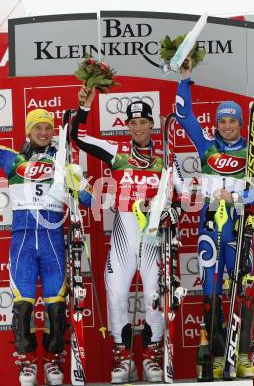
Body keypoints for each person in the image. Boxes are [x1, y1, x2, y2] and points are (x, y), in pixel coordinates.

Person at [0, 87, 92, 386]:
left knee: (57, 307)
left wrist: (78, 187)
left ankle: (53, 363)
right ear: (29, 131)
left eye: (47, 128)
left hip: (54, 240)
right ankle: (28, 364)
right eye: (37, 128)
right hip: (22, 241)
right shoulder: (12, 159)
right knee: (23, 307)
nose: (43, 132)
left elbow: (88, 200)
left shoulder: (64, 162)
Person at [71, 87, 190, 383]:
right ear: (128, 126)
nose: (137, 128)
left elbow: (186, 196)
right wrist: (84, 107)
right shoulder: (118, 152)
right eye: (132, 123)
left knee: (154, 296)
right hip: (125, 233)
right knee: (116, 294)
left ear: (152, 124)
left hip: (153, 237)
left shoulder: (166, 157)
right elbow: (79, 137)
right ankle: (124, 359)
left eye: (143, 122)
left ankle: (151, 356)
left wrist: (173, 213)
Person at [175, 59, 254, 379]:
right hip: (209, 224)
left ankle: (243, 353)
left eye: (233, 121)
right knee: (211, 289)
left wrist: (240, 197)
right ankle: (217, 354)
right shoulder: (206, 148)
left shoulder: (253, 152)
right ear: (217, 124)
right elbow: (183, 116)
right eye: (223, 121)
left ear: (241, 123)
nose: (228, 126)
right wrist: (185, 79)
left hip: (237, 223)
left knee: (242, 287)